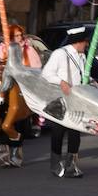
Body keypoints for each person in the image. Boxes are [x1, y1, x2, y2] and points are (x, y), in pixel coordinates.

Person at [0, 24, 40, 168]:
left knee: (20, 121)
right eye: (16, 35)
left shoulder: (29, 51)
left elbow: (36, 70)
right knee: (2, 118)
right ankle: (3, 150)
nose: (19, 38)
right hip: (3, 88)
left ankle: (17, 150)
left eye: (20, 35)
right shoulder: (1, 49)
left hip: (22, 89)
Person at [41, 26, 90, 178]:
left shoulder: (82, 55)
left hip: (76, 99)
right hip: (60, 99)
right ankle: (55, 163)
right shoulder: (60, 54)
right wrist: (61, 81)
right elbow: (46, 73)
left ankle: (71, 165)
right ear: (78, 41)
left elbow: (82, 75)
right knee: (58, 132)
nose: (87, 44)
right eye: (85, 41)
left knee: (75, 132)